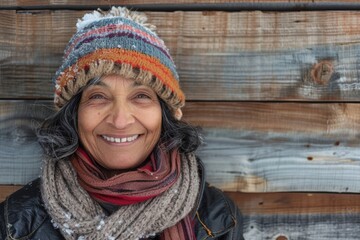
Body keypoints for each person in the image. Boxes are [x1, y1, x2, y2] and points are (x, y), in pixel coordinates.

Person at [0, 7, 243, 240]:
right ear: (73, 114)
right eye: (98, 97)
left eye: (141, 96)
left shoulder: (217, 221)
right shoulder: (19, 222)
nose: (120, 121)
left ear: (165, 113)